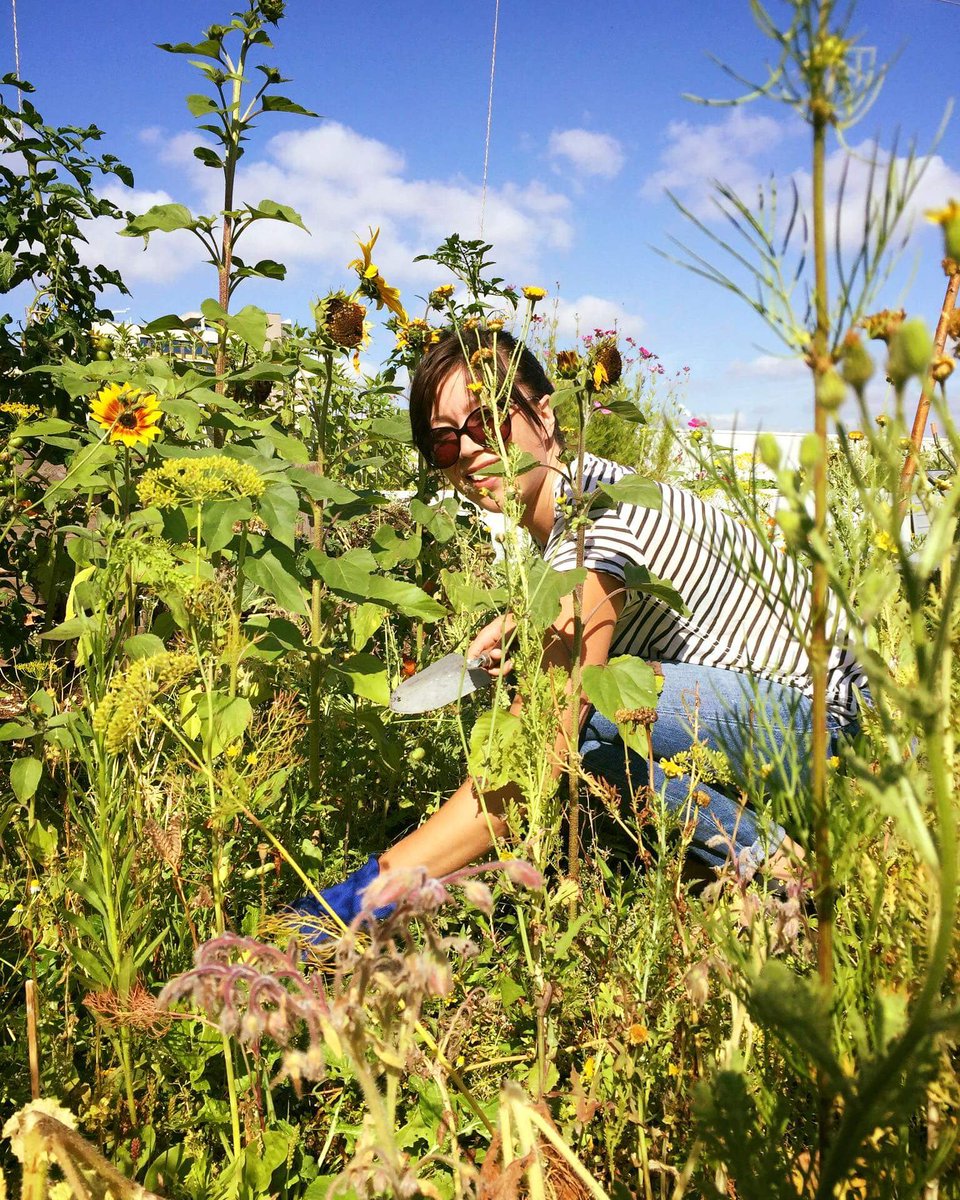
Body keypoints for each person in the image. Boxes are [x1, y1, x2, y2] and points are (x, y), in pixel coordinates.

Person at [292, 329, 867, 932]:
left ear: (544, 413)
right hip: (803, 711)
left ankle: (783, 877)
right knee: (587, 722)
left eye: (487, 419)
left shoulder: (597, 520)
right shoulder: (589, 498)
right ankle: (761, 872)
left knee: (578, 719)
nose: (466, 450)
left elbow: (533, 751)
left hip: (833, 725)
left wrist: (359, 901)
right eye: (442, 443)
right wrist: (528, 620)